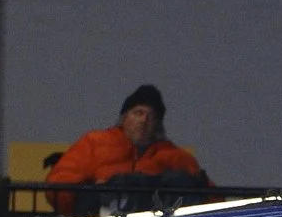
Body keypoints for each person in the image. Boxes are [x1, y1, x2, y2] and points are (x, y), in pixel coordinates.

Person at [44, 85, 209, 205]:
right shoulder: (94, 143)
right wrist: (92, 193)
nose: (144, 120)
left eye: (151, 116)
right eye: (139, 113)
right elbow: (58, 184)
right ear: (124, 118)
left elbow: (212, 198)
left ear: (158, 124)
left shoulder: (174, 157)